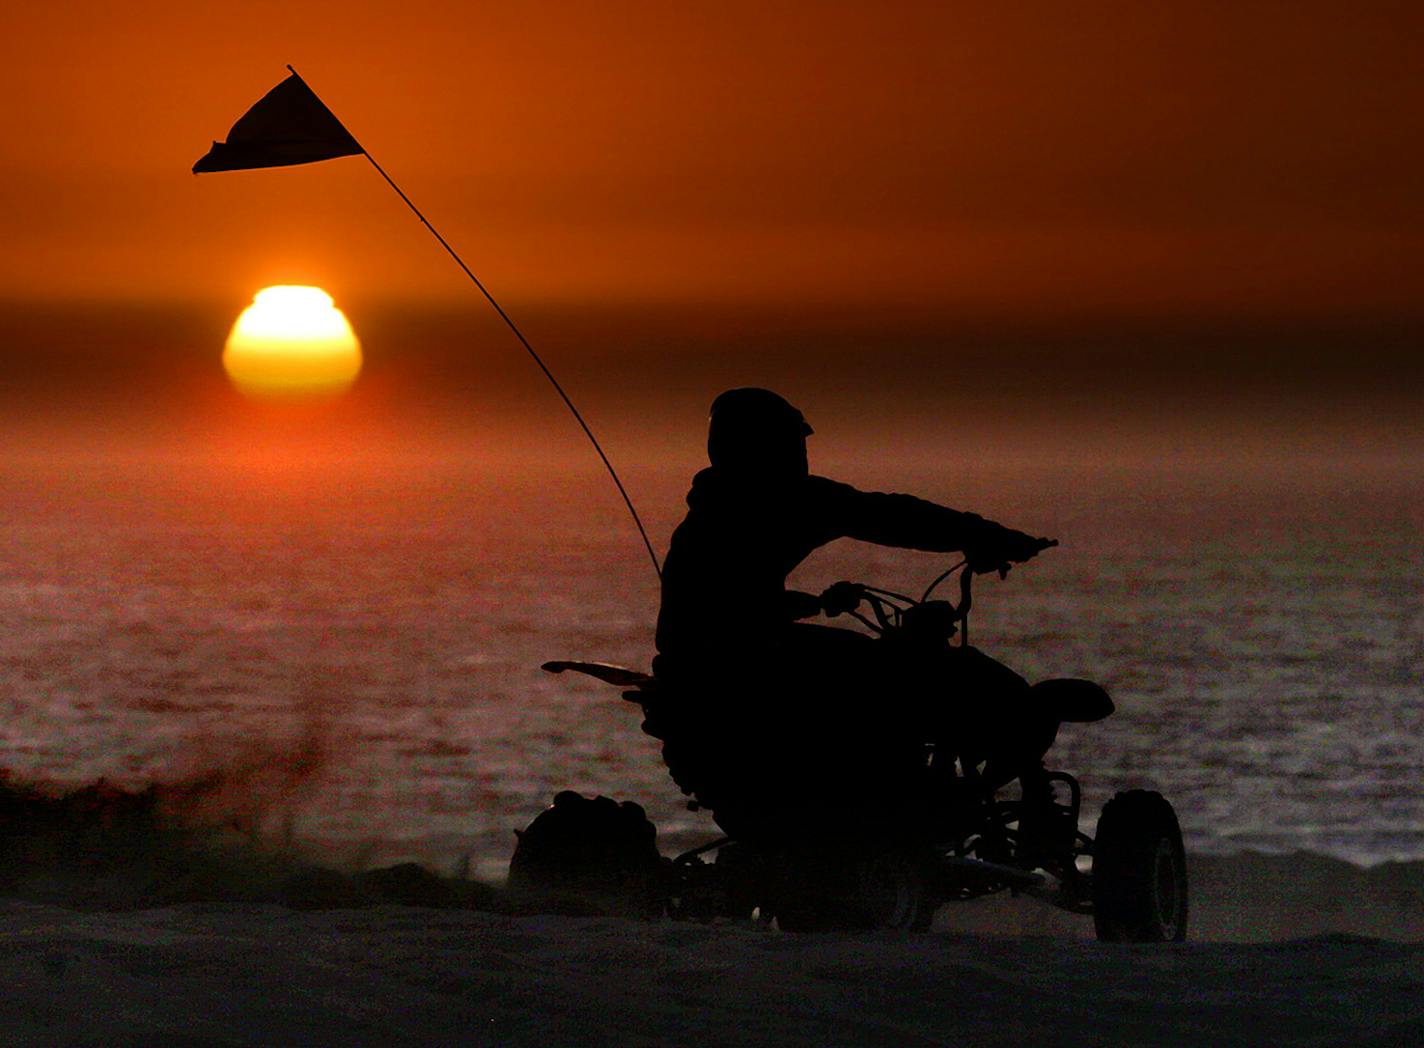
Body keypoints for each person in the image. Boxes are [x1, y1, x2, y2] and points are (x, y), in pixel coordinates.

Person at [651, 388, 1058, 843]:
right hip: (746, 668)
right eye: (793, 443)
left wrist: (817, 604)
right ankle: (911, 802)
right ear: (771, 446)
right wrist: (989, 537)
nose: (801, 454)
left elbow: (730, 606)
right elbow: (889, 515)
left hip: (695, 676)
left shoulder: (712, 511)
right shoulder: (787, 500)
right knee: (910, 674)